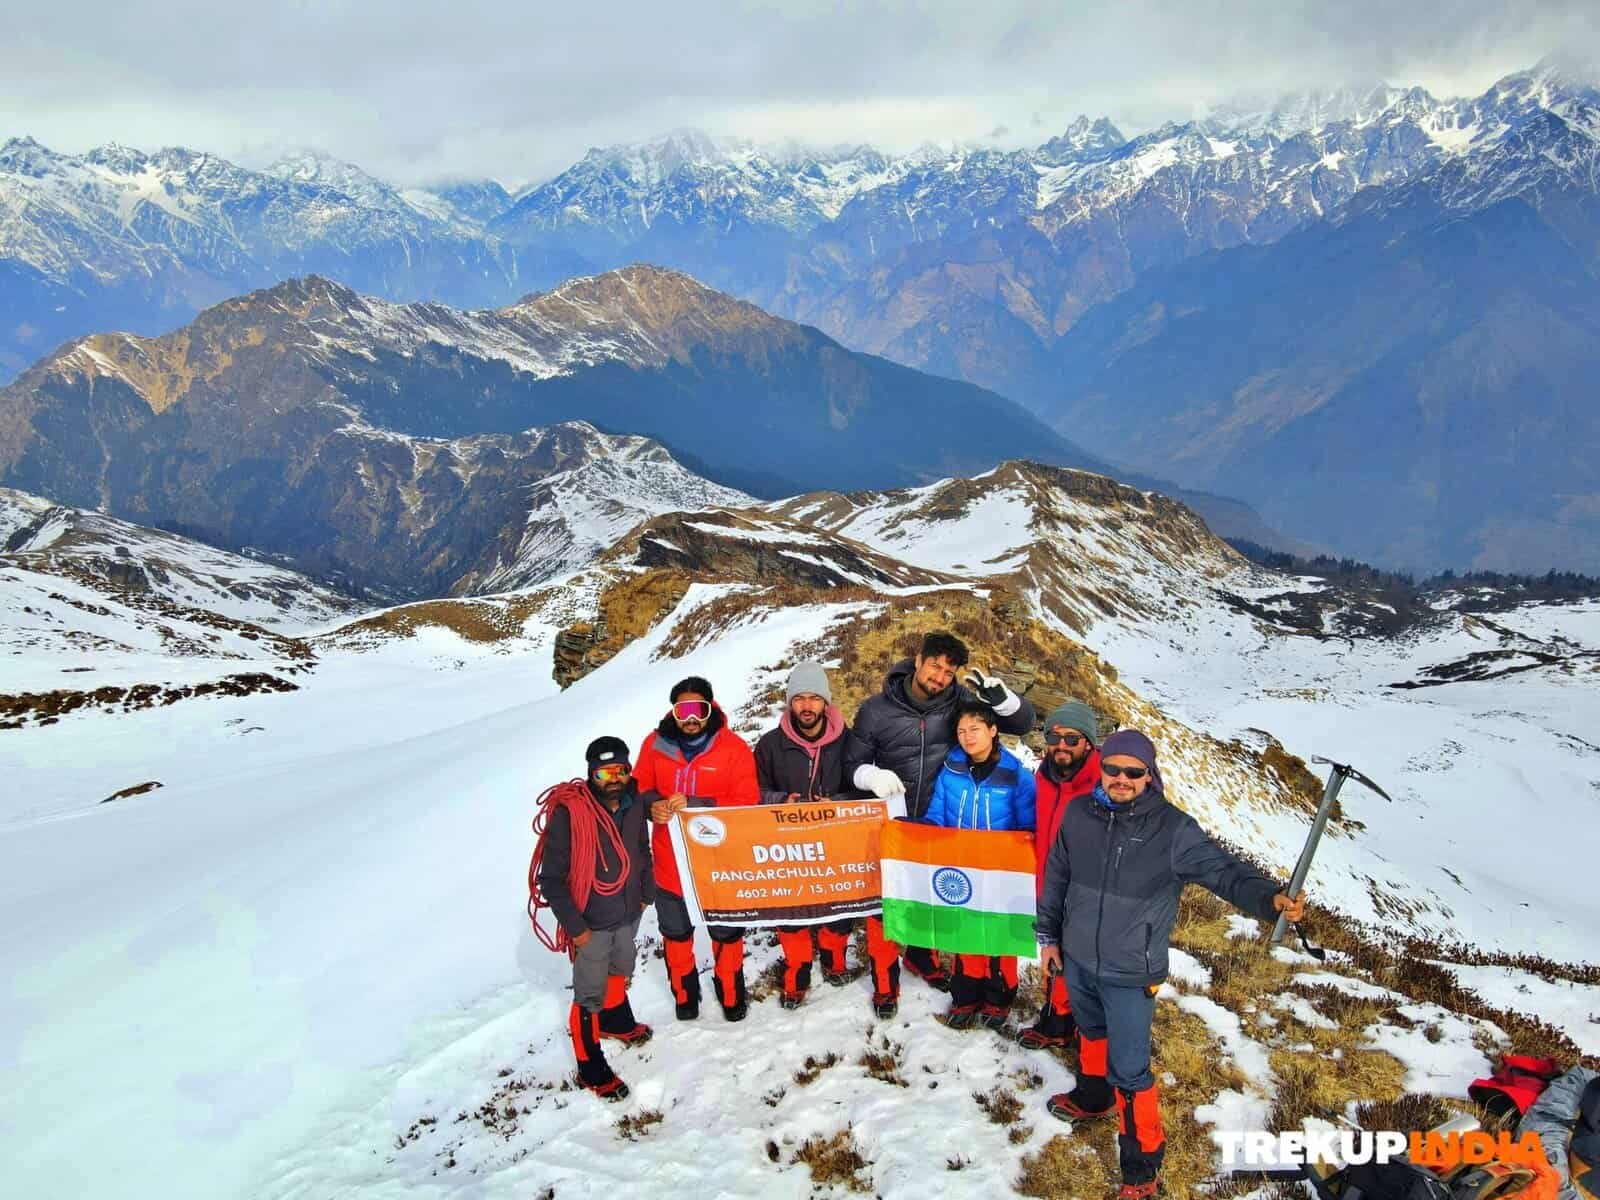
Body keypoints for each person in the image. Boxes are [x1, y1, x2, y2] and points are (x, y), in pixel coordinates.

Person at [1036, 729, 1307, 1199]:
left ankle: (1143, 1170)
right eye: (1113, 769)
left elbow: (1224, 871)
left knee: (1132, 1070)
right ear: (1101, 766)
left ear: (1149, 774)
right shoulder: (1080, 812)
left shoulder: (1173, 829)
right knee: (1091, 1032)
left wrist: (1270, 899)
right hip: (1078, 956)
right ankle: (1093, 1097)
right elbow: (1058, 873)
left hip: (1131, 970)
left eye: (1133, 771)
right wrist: (1049, 938)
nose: (1121, 778)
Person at [846, 630, 1035, 1017]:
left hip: (941, 822)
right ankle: (885, 984)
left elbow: (1020, 725)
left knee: (938, 898)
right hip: (892, 824)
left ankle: (923, 958)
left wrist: (1005, 700)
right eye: (935, 666)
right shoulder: (875, 710)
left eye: (949, 672)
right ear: (918, 661)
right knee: (886, 907)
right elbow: (851, 765)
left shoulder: (957, 703)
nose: (940, 677)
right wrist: (870, 776)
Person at [537, 736, 655, 1101]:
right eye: (604, 772)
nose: (613, 778)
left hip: (628, 910)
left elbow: (641, 849)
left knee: (621, 966)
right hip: (591, 921)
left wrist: (645, 894)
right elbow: (551, 879)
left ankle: (616, 1021)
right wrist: (578, 930)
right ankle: (590, 1067)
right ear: (591, 774)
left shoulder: (634, 802)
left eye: (620, 769)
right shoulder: (570, 813)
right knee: (589, 993)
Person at [639, 676, 760, 1022]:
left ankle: (731, 993)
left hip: (719, 863)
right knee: (675, 935)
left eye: (698, 709)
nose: (691, 717)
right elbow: (641, 787)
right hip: (669, 863)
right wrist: (652, 806)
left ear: (710, 708)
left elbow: (747, 801)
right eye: (683, 709)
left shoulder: (734, 748)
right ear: (673, 711)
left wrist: (696, 803)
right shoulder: (654, 745)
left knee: (727, 933)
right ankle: (685, 996)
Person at [922, 699, 1037, 1030]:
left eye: (975, 729)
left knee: (1000, 936)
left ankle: (998, 998)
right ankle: (965, 996)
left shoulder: (1017, 776)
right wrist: (923, 832)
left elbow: (1029, 827)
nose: (967, 737)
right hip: (962, 868)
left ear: (993, 730)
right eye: (961, 731)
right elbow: (937, 814)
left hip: (1002, 871)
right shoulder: (951, 771)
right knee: (966, 933)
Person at [754, 661, 860, 1009]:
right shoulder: (769, 745)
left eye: (815, 698)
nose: (807, 706)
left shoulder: (849, 741)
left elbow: (862, 790)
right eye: (799, 698)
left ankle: (834, 961)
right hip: (789, 847)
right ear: (789, 702)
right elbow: (753, 792)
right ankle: (797, 971)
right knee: (791, 909)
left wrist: (838, 802)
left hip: (837, 841)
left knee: (839, 904)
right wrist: (782, 801)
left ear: (826, 702)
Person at [1019, 700, 1101, 1052]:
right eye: (1054, 736)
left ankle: (1076, 1026)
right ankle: (1056, 1019)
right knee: (1053, 952)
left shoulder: (1103, 784)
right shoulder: (1045, 777)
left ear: (1089, 744)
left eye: (1072, 738)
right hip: (1049, 886)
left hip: (1088, 894)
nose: (1061, 745)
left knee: (1079, 961)